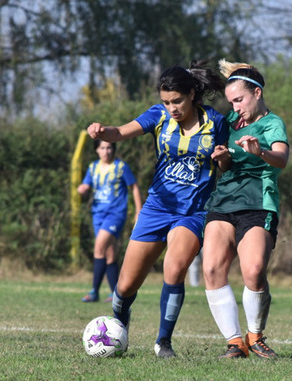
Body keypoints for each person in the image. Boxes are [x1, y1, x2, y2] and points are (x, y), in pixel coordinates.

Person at [86, 60, 230, 358]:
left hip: (193, 212)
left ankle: (163, 342)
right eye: (166, 102)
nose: (171, 108)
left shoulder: (216, 122)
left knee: (174, 269)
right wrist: (102, 130)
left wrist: (223, 158)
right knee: (124, 288)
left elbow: (225, 167)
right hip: (156, 209)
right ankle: (118, 334)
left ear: (192, 94)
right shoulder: (158, 116)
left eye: (177, 101)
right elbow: (120, 132)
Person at [202, 59, 289, 359]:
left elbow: (281, 158)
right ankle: (235, 342)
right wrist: (222, 157)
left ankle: (256, 335)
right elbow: (224, 168)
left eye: (239, 100)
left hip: (258, 202)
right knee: (212, 268)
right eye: (231, 102)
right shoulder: (228, 124)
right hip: (224, 201)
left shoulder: (272, 123)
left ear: (257, 93)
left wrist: (260, 151)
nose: (235, 107)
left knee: (253, 271)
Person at [78, 139, 142, 303]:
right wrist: (82, 189)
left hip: (115, 214)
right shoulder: (93, 168)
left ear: (113, 149)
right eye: (102, 148)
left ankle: (94, 292)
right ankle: (116, 292)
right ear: (97, 150)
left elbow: (134, 187)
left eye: (109, 148)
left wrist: (138, 210)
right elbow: (85, 186)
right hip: (97, 214)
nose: (106, 151)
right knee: (109, 254)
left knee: (99, 247)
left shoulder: (121, 167)